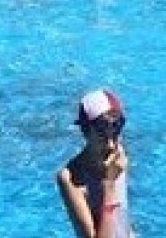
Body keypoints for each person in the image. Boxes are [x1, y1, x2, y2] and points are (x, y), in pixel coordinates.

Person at [57, 88, 133, 238]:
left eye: (115, 134)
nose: (111, 145)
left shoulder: (118, 156)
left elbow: (122, 219)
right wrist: (109, 183)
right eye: (101, 136)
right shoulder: (71, 178)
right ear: (85, 132)